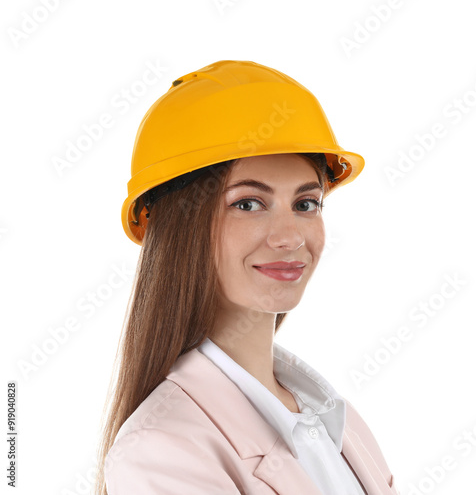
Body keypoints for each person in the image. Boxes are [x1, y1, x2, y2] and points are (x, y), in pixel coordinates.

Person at [94, 60, 400, 495]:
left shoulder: (339, 423)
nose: (290, 237)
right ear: (178, 225)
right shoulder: (160, 452)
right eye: (248, 204)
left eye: (306, 203)